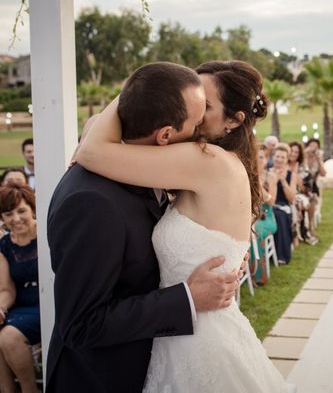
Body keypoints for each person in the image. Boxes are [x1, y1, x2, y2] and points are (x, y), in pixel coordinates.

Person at [76, 60, 289, 392]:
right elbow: (93, 127)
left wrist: (142, 84)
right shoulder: (215, 160)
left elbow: (90, 150)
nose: (194, 112)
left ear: (234, 120)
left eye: (205, 105)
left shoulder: (206, 161)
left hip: (201, 343)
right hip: (182, 334)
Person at [0, 184, 39, 393]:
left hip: (47, 303)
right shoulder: (4, 245)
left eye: (21, 210)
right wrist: (1, 309)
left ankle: (29, 389)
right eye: (8, 214)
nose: (15, 219)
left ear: (32, 208)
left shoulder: (47, 233)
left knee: (8, 336)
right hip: (20, 305)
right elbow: (6, 289)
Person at [253, 144, 278, 285]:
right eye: (256, 156)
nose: (258, 159)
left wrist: (258, 186)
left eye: (261, 157)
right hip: (250, 217)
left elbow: (272, 202)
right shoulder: (246, 175)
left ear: (266, 159)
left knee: (257, 231)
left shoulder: (271, 176)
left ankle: (258, 274)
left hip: (267, 217)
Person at [271, 144, 298, 265]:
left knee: (279, 216)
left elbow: (291, 198)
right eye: (277, 156)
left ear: (286, 160)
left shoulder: (291, 175)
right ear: (273, 157)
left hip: (283, 205)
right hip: (269, 203)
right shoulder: (267, 172)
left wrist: (282, 181)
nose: (279, 159)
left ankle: (282, 255)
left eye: (282, 157)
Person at [303, 138, 326, 238]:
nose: (313, 149)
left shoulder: (318, 159)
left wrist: (319, 159)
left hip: (313, 187)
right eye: (311, 146)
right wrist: (306, 155)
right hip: (303, 185)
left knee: (312, 200)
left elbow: (323, 173)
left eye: (315, 147)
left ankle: (310, 225)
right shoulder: (303, 157)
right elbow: (303, 170)